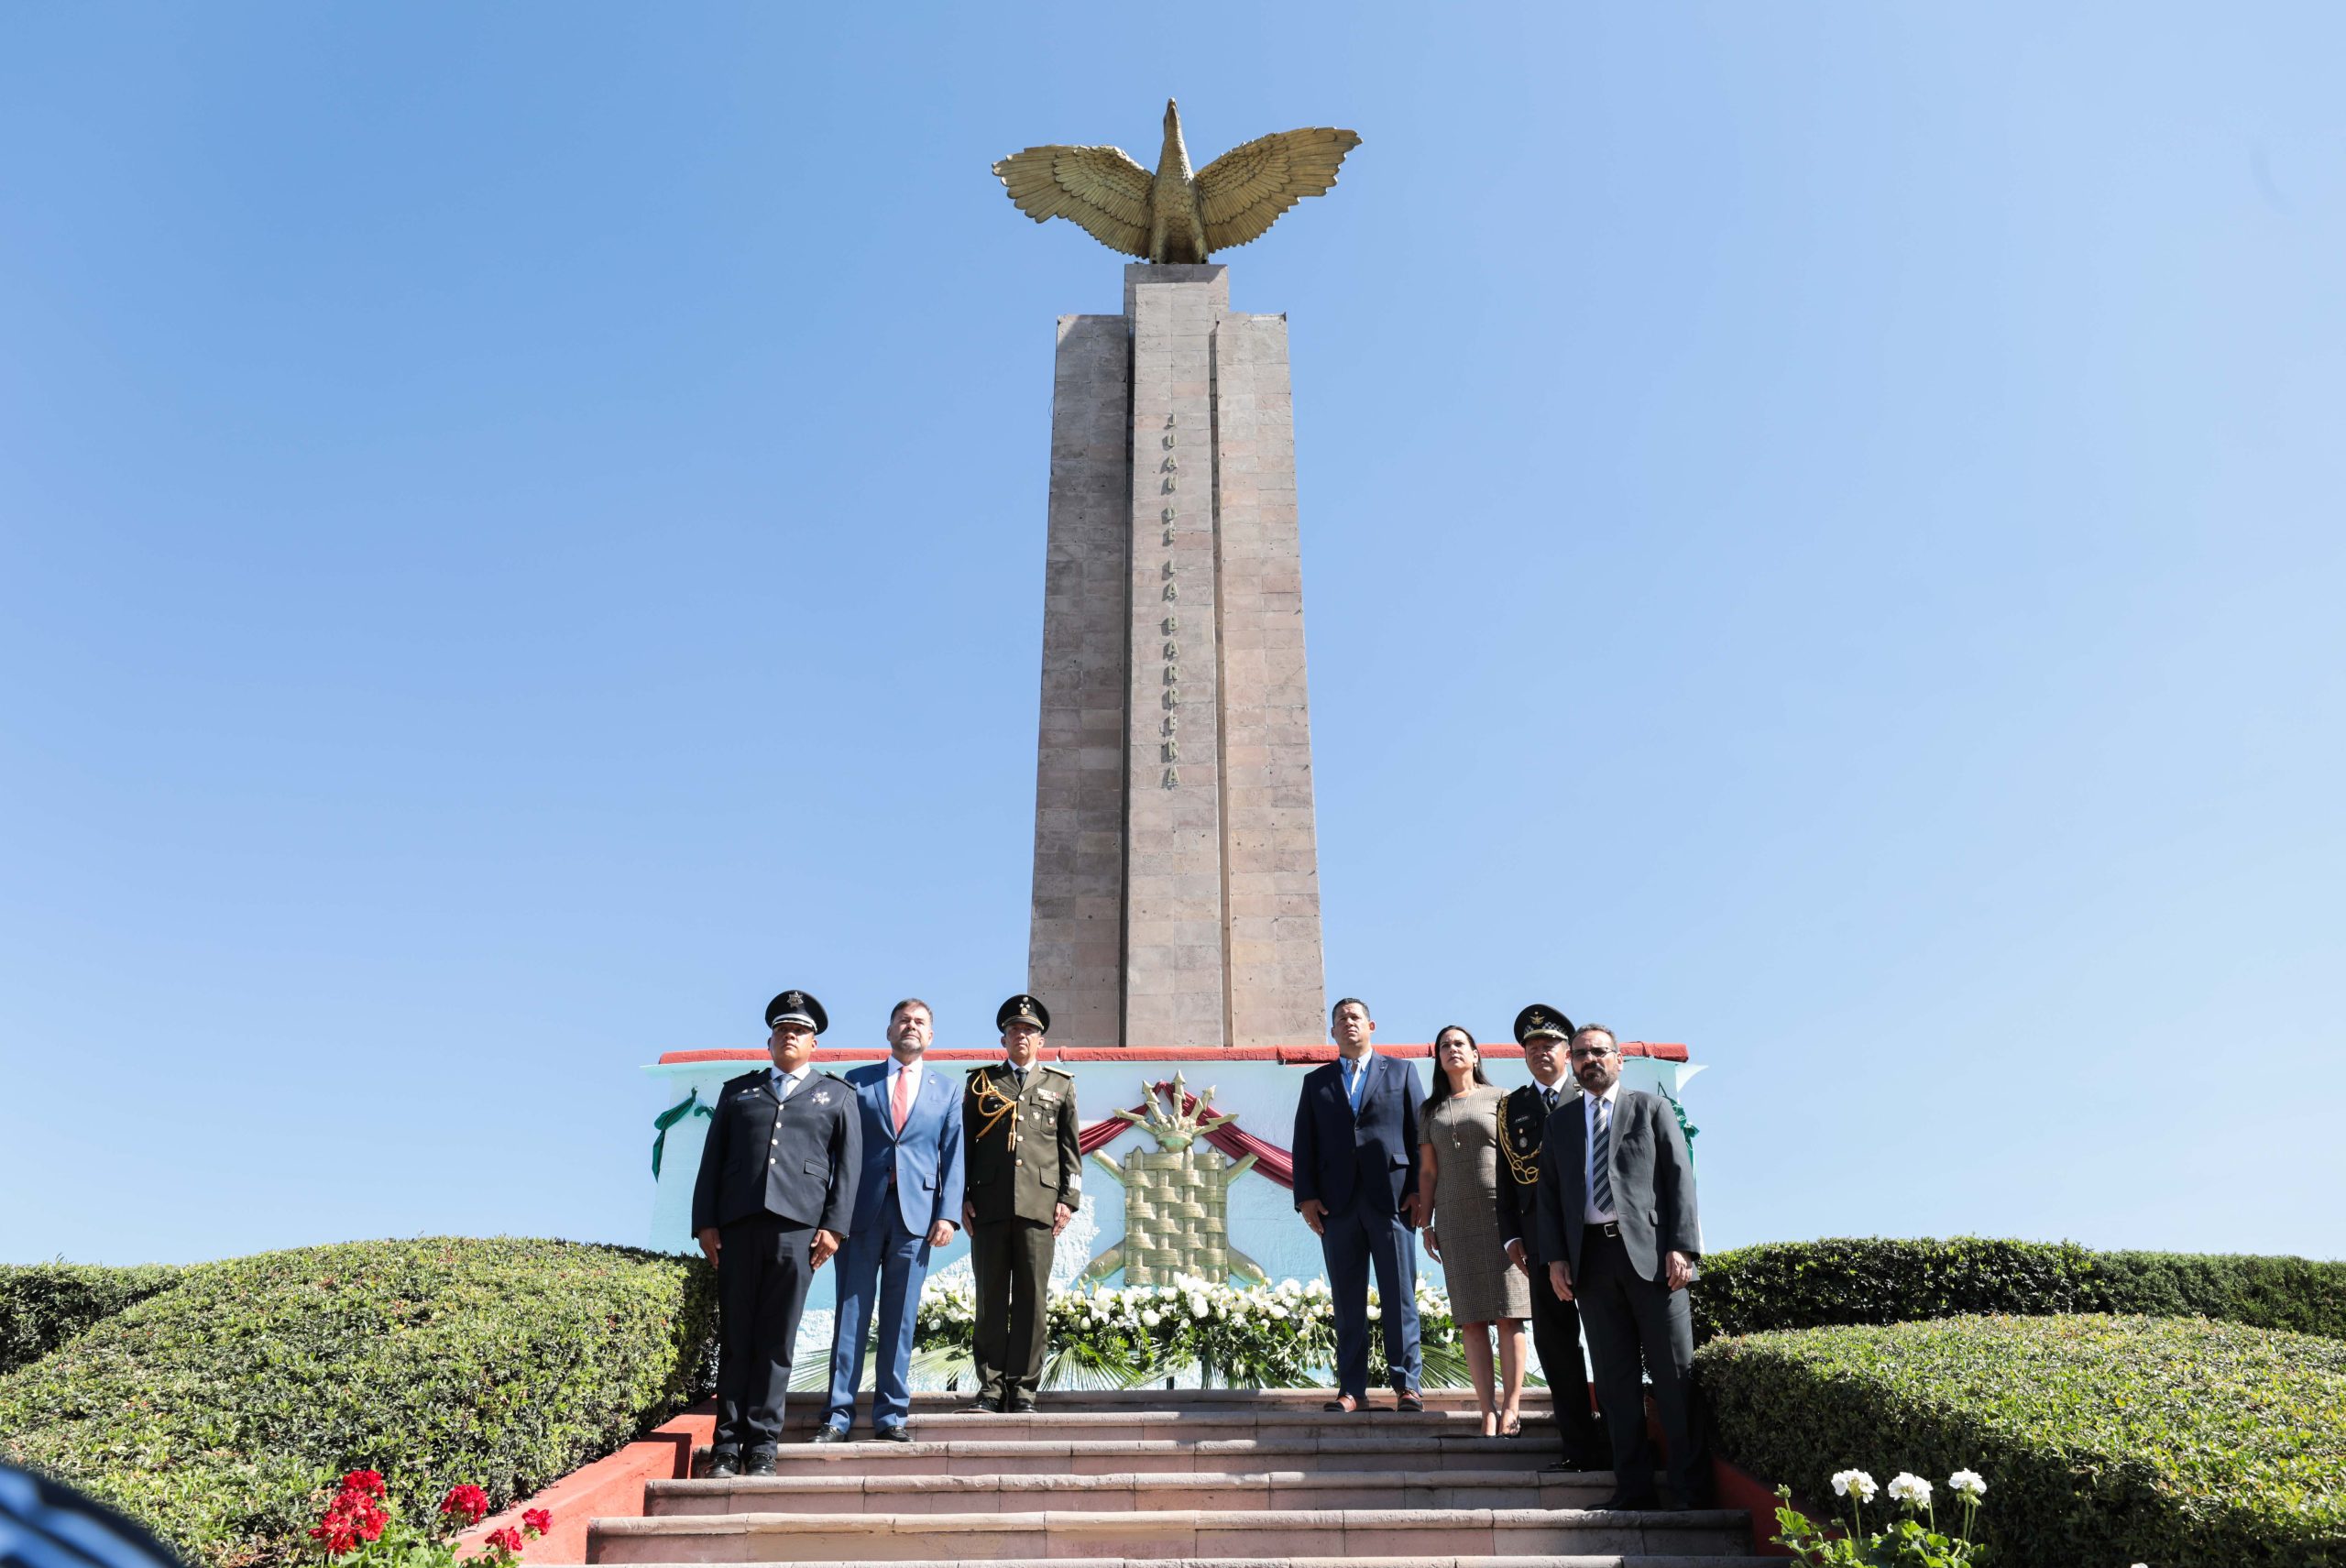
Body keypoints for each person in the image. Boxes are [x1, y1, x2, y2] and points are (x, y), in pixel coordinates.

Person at [1535, 1022, 1707, 1510]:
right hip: (1591, 1263)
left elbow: (1679, 1180)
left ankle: (1691, 1490)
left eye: (1600, 1052)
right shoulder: (1561, 1123)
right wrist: (1556, 1260)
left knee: (1676, 1376)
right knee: (1614, 1383)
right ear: (1573, 1062)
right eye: (1582, 1053)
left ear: (1618, 1059)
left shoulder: (1651, 1108)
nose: (1591, 1059)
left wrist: (1682, 1248)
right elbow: (1549, 1196)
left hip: (1654, 1260)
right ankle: (1632, 1489)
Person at [690, 989, 861, 1476]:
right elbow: (712, 1162)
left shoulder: (837, 1095)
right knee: (737, 1334)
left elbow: (847, 1170)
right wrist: (706, 1222)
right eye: (784, 1029)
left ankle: (763, 1443)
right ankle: (726, 1445)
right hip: (739, 1229)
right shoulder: (737, 1091)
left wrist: (834, 1227)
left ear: (814, 1045)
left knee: (776, 1340)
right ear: (770, 1041)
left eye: (801, 1031)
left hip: (798, 1231)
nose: (791, 1035)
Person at [816, 998, 966, 1442]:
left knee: (901, 1319)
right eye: (903, 1020)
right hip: (861, 1214)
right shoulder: (857, 1082)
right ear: (889, 1031)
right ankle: (837, 1416)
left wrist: (949, 1216)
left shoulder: (947, 1090)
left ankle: (891, 1416)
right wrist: (832, 1214)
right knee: (851, 1315)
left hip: (915, 1218)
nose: (911, 1027)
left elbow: (953, 1156)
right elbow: (837, 1150)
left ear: (931, 1036)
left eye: (920, 1022)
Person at [1291, 996, 1425, 1413]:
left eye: (1355, 1017)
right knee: (1347, 1299)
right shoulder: (1317, 1082)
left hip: (1393, 1199)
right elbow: (1304, 1143)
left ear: (1371, 1025)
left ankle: (1407, 1386)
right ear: (1332, 1032)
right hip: (1337, 1205)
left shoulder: (1401, 1071)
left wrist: (1421, 1191)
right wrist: (1306, 1198)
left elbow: (1419, 1132)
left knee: (1399, 1294)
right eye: (1340, 1019)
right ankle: (1352, 1388)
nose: (1348, 1023)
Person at [1496, 1003, 1608, 1471]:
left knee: (1607, 1339)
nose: (1541, 1053)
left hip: (1593, 1237)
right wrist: (1510, 1238)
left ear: (1569, 1052)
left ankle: (1618, 1439)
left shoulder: (1592, 1094)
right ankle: (1578, 1448)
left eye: (1550, 1045)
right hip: (1539, 1243)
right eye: (1532, 1047)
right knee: (1557, 1347)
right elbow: (1504, 1178)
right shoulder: (1513, 1106)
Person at [961, 993, 1080, 1412]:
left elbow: (1070, 1151)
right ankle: (991, 1389)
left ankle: (1024, 1389)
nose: (1021, 1036)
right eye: (1014, 1030)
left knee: (1032, 1299)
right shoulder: (982, 1083)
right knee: (990, 1297)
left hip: (1039, 1206)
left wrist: (1068, 1199)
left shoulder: (1059, 1085)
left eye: (1029, 1030)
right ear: (1004, 1038)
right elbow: (965, 1147)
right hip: (989, 1206)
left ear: (1041, 1040)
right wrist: (961, 1198)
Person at [1416, 1025, 1529, 1437]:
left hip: (1502, 1218)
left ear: (1476, 1055)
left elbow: (1520, 1161)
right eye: (1444, 1046)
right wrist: (1426, 1222)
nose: (1452, 1050)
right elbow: (1428, 1171)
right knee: (1470, 1318)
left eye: (1459, 1044)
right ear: (1438, 1059)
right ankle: (1486, 1410)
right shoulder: (1429, 1112)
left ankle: (1512, 1407)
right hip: (1454, 1219)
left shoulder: (1502, 1099)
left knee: (1509, 1314)